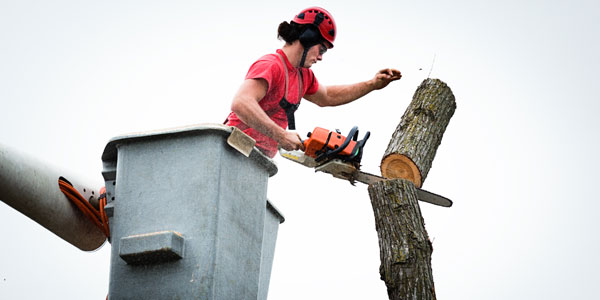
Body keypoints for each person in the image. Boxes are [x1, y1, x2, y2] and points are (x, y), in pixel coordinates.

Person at [225, 7, 402, 158]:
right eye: (321, 50)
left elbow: (327, 97)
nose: (320, 58)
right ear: (307, 37)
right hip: (231, 148)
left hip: (258, 159)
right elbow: (241, 103)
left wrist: (372, 84)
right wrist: (281, 135)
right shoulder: (271, 65)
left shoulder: (303, 76)